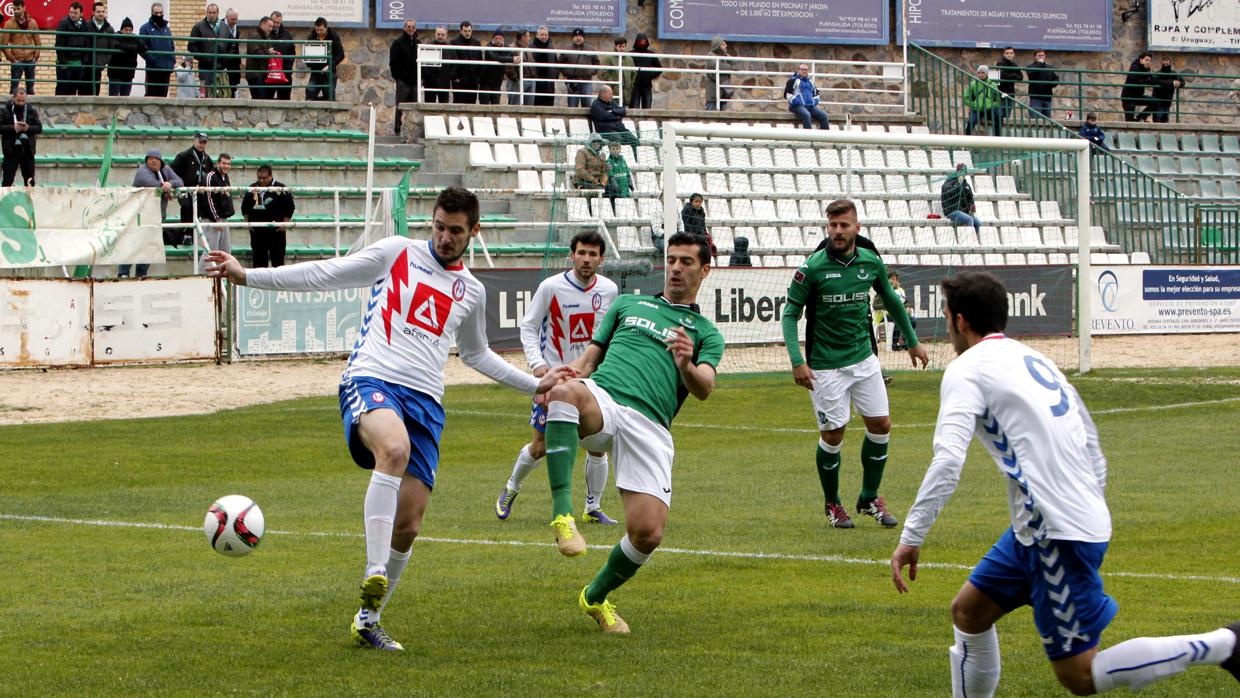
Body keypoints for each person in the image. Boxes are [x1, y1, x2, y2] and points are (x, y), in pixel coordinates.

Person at [205, 186, 575, 652]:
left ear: (473, 232)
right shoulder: (397, 253)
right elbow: (327, 273)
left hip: (427, 403)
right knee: (393, 449)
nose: (444, 237)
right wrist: (247, 276)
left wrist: (534, 383)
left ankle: (368, 619)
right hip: (371, 378)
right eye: (439, 227)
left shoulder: (472, 291)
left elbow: (477, 355)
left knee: (411, 523)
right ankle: (373, 570)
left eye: (455, 231)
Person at [890, 270, 1240, 698]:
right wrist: (1087, 500)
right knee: (969, 612)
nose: (947, 328)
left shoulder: (966, 370)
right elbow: (1089, 435)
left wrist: (911, 536)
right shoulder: (1035, 359)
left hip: (1054, 532)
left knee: (1079, 674)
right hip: (1043, 525)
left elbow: (948, 460)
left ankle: (1227, 645)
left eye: (946, 318)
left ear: (960, 321)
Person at [540, 232, 722, 634]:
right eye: (671, 259)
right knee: (565, 393)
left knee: (648, 533)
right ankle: (562, 516)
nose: (675, 267)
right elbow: (589, 360)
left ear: (705, 270)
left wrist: (686, 364)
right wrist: (561, 380)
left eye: (687, 262)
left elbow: (704, 388)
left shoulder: (706, 333)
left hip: (651, 425)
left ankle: (595, 597)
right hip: (604, 397)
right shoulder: (627, 303)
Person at [781, 199, 928, 530]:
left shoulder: (870, 263)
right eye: (832, 225)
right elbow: (790, 313)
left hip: (863, 359)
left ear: (856, 228)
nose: (837, 231)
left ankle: (869, 497)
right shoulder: (813, 268)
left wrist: (912, 341)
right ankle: (833, 504)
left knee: (881, 425)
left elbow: (890, 299)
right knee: (833, 435)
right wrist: (796, 360)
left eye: (843, 225)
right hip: (825, 365)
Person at [496, 231, 619, 525]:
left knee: (597, 444)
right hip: (554, 379)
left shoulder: (610, 290)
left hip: (590, 380)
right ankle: (511, 487)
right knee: (540, 447)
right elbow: (528, 327)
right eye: (581, 253)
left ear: (601, 259)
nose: (586, 259)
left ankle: (592, 507)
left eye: (592, 254)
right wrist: (539, 369)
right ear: (572, 255)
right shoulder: (551, 287)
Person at [124, 149, 182, 278]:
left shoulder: (165, 170)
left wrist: (170, 183)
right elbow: (148, 182)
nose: (154, 160)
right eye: (150, 158)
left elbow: (180, 181)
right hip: (139, 218)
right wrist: (164, 188)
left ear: (161, 161)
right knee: (132, 246)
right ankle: (123, 274)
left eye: (156, 158)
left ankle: (141, 274)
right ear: (146, 161)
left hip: (156, 218)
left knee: (148, 248)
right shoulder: (142, 171)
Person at [241, 164, 295, 268]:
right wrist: (248, 223)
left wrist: (284, 223)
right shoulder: (252, 188)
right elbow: (244, 208)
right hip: (257, 231)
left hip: (276, 231)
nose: (261, 180)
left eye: (264, 178)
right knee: (258, 262)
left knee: (278, 262)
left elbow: (290, 207)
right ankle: (258, 284)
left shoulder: (281, 188)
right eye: (259, 178)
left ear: (270, 176)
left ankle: (278, 283)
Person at [171, 132, 215, 240]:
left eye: (204, 142)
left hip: (201, 192)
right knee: (187, 207)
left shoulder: (207, 159)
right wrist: (177, 185)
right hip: (186, 190)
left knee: (204, 210)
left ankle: (202, 234)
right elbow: (172, 172)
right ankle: (186, 233)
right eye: (200, 141)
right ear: (194, 141)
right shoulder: (183, 156)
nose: (202, 144)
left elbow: (211, 175)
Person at [198, 152, 234, 273]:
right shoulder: (210, 176)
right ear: (218, 163)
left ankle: (221, 278)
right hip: (211, 219)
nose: (226, 166)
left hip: (223, 219)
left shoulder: (225, 177)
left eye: (228, 164)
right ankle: (202, 277)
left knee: (225, 251)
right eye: (224, 163)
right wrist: (216, 219)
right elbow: (208, 200)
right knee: (210, 250)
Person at [0, 86, 40, 187]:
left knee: (30, 182)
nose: (21, 103)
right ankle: (5, 202)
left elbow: (39, 128)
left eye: (23, 101)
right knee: (7, 181)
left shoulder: (31, 110)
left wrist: (28, 128)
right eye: (18, 100)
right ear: (13, 98)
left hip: (27, 151)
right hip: (11, 151)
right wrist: (12, 127)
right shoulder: (5, 110)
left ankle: (29, 202)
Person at [2, 0, 41, 96]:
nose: (16, 11)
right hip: (16, 60)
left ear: (24, 8)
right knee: (13, 89)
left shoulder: (32, 22)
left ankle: (30, 110)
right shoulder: (9, 24)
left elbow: (38, 42)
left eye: (18, 9)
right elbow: (3, 44)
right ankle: (11, 109)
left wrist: (36, 56)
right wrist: (12, 59)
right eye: (14, 9)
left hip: (30, 59)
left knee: (30, 89)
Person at [54, 3, 91, 96]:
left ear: (81, 14)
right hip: (65, 64)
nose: (73, 15)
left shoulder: (84, 25)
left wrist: (84, 62)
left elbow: (87, 43)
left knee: (73, 89)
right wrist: (63, 62)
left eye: (75, 13)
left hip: (78, 63)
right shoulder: (63, 23)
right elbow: (59, 44)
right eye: (71, 12)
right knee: (62, 89)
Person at [304, 17, 344, 101]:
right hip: (316, 72)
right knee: (310, 94)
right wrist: (309, 62)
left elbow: (341, 54)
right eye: (317, 30)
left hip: (329, 72)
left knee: (329, 96)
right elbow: (307, 55)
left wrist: (330, 65)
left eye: (321, 30)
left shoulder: (333, 37)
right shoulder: (311, 37)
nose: (319, 32)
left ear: (326, 28)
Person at [139, 3, 174, 97]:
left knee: (163, 96)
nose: (159, 15)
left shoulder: (167, 29)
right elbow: (141, 47)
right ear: (152, 13)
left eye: (160, 13)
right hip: (153, 69)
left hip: (166, 68)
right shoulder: (145, 28)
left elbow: (171, 46)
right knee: (151, 95)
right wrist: (152, 59)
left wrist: (172, 60)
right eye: (156, 13)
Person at [390, 19, 419, 134]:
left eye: (413, 27)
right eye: (408, 26)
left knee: (414, 109)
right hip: (403, 82)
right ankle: (397, 130)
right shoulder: (398, 43)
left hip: (415, 82)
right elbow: (393, 62)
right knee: (400, 107)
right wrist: (398, 77)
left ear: (415, 29)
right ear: (404, 28)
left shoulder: (418, 43)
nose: (411, 29)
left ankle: (412, 132)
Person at [188, 3, 221, 97]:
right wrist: (203, 57)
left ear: (218, 13)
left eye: (214, 12)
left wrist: (224, 60)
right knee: (205, 93)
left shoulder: (223, 27)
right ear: (206, 13)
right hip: (205, 67)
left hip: (220, 67)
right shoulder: (198, 27)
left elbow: (230, 44)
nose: (212, 15)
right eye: (210, 12)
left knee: (220, 93)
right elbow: (191, 46)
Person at [561, 28, 598, 108]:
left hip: (586, 81)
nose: (578, 38)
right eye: (576, 36)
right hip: (572, 82)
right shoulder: (566, 50)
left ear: (583, 37)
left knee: (587, 106)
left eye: (580, 36)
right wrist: (567, 72)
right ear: (573, 37)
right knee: (572, 107)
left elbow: (596, 62)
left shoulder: (590, 49)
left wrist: (592, 71)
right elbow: (561, 63)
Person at [784, 63, 829, 130]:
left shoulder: (810, 82)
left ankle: (826, 137)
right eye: (802, 69)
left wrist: (814, 102)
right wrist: (796, 101)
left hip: (810, 106)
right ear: (798, 70)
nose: (804, 71)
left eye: (806, 70)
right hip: (796, 106)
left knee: (824, 116)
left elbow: (816, 94)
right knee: (807, 115)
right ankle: (808, 138)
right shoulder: (793, 80)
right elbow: (787, 94)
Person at [107, 18, 145, 97]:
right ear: (121, 29)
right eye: (126, 29)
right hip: (115, 74)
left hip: (128, 74)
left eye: (130, 30)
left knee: (125, 100)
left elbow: (144, 47)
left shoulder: (135, 38)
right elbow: (118, 45)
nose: (128, 32)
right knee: (113, 99)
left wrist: (131, 48)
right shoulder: (115, 36)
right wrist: (134, 48)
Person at [245, 15, 278, 100]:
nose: (271, 29)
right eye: (269, 26)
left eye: (272, 27)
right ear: (262, 24)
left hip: (264, 73)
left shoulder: (267, 37)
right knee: (259, 98)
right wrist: (268, 52)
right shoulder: (254, 36)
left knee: (265, 98)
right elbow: (256, 53)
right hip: (255, 73)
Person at [964, 65, 1003, 137]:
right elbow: (966, 98)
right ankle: (966, 139)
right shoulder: (973, 84)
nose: (980, 74)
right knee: (970, 122)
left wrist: (993, 105)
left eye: (983, 73)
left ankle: (998, 138)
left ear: (987, 74)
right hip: (976, 109)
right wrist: (973, 105)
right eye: (979, 73)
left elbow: (997, 99)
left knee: (999, 116)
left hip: (989, 109)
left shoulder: (993, 85)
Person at [84, 2, 114, 96]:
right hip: (86, 64)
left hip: (98, 65)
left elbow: (111, 47)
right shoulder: (86, 26)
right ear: (93, 12)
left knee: (96, 91)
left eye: (103, 11)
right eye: (98, 11)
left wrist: (105, 61)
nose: (101, 13)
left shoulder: (109, 29)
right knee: (83, 91)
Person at [448, 21, 482, 105]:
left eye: (469, 31)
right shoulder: (454, 43)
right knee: (459, 104)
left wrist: (478, 78)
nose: (467, 33)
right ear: (461, 31)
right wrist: (454, 77)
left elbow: (480, 61)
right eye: (465, 31)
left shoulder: (476, 43)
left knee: (471, 105)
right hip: (459, 81)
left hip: (473, 80)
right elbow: (451, 62)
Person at [941, 163, 981, 232]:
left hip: (964, 212)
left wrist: (972, 206)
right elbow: (950, 194)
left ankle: (976, 240)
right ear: (957, 171)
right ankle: (969, 238)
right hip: (952, 211)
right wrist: (958, 184)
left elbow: (970, 198)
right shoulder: (949, 182)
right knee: (969, 219)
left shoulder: (966, 184)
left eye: (965, 172)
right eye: (962, 171)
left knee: (977, 222)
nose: (963, 174)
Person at [477, 30, 513, 106]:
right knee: (484, 107)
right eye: (496, 38)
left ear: (503, 39)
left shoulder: (506, 46)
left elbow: (510, 55)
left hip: (497, 83)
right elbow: (495, 57)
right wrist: (511, 59)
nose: (498, 41)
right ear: (493, 39)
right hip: (486, 81)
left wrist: (510, 58)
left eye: (500, 38)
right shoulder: (489, 46)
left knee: (496, 107)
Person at [626, 33, 661, 109]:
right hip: (634, 86)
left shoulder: (651, 54)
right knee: (634, 109)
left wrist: (650, 75)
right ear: (637, 42)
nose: (642, 43)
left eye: (644, 41)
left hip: (647, 85)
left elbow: (659, 68)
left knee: (647, 109)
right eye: (641, 42)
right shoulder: (630, 54)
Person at [1120, 53, 1155, 122]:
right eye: (1146, 60)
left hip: (1138, 96)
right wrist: (1145, 81)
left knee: (1155, 101)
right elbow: (1134, 79)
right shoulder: (1134, 66)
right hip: (1128, 98)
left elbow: (1153, 80)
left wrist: (1171, 83)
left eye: (1150, 61)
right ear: (1141, 60)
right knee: (1129, 122)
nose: (1148, 62)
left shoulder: (1147, 69)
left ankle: (1140, 117)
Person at [420, 26, 451, 104]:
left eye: (442, 35)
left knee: (444, 109)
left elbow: (454, 65)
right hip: (430, 83)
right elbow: (423, 65)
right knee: (429, 109)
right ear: (435, 34)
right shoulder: (428, 47)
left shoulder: (450, 49)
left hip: (444, 84)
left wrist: (449, 76)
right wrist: (427, 76)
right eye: (438, 34)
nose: (440, 36)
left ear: (446, 36)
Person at [1025, 50, 1058, 119]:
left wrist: (1052, 84)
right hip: (1035, 97)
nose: (1041, 57)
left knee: (1047, 120)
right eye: (1039, 56)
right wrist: (1039, 64)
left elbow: (1055, 79)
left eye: (1042, 55)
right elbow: (1031, 74)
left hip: (1047, 96)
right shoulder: (1030, 66)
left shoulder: (1049, 67)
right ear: (1035, 57)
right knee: (1034, 119)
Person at [1150, 57, 1184, 124]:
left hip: (1167, 103)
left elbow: (1182, 82)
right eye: (1164, 64)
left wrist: (1178, 84)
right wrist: (1172, 83)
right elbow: (1156, 81)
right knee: (1157, 123)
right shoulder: (1158, 74)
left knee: (1165, 122)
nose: (1166, 66)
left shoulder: (1173, 74)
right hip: (1158, 103)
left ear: (1170, 64)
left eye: (1167, 64)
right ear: (1161, 64)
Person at [269, 11, 294, 100]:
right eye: (274, 22)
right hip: (269, 73)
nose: (275, 25)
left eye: (278, 23)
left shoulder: (287, 34)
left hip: (285, 73)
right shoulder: (266, 33)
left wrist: (288, 66)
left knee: (285, 100)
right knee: (266, 100)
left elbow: (292, 52)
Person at [217, 8, 241, 97]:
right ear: (226, 17)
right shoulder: (219, 26)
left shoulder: (236, 29)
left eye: (236, 19)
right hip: (223, 64)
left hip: (234, 65)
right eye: (232, 19)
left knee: (232, 89)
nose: (234, 22)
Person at [530, 26, 556, 107]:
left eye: (546, 35)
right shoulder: (531, 47)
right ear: (537, 35)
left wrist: (555, 74)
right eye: (542, 34)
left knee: (549, 107)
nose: (544, 36)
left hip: (549, 83)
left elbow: (556, 62)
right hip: (536, 82)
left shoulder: (550, 47)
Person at [703, 35, 731, 111]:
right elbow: (720, 66)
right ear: (717, 46)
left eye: (725, 44)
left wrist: (727, 57)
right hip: (713, 95)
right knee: (711, 120)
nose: (726, 46)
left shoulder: (725, 56)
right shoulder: (711, 56)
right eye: (723, 44)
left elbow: (737, 65)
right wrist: (730, 67)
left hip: (724, 94)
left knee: (722, 121)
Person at [502, 29, 529, 105]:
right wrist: (516, 78)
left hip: (528, 80)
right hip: (516, 81)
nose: (529, 38)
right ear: (523, 37)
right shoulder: (512, 48)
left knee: (529, 109)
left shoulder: (528, 48)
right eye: (528, 36)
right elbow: (509, 66)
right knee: (514, 105)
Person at [597, 36, 626, 101]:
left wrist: (630, 85)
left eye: (623, 47)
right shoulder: (609, 58)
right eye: (620, 46)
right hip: (614, 91)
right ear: (615, 47)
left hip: (626, 93)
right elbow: (601, 71)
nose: (622, 49)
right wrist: (611, 82)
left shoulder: (629, 59)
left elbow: (633, 73)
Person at [995, 47, 1021, 118]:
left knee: (1007, 117)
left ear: (1013, 54)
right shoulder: (1000, 63)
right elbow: (1002, 75)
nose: (1009, 55)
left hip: (1010, 93)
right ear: (1004, 54)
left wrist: (1011, 75)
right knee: (999, 115)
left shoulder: (1014, 64)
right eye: (1007, 53)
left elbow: (1020, 77)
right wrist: (1014, 75)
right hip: (1000, 93)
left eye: (1011, 53)